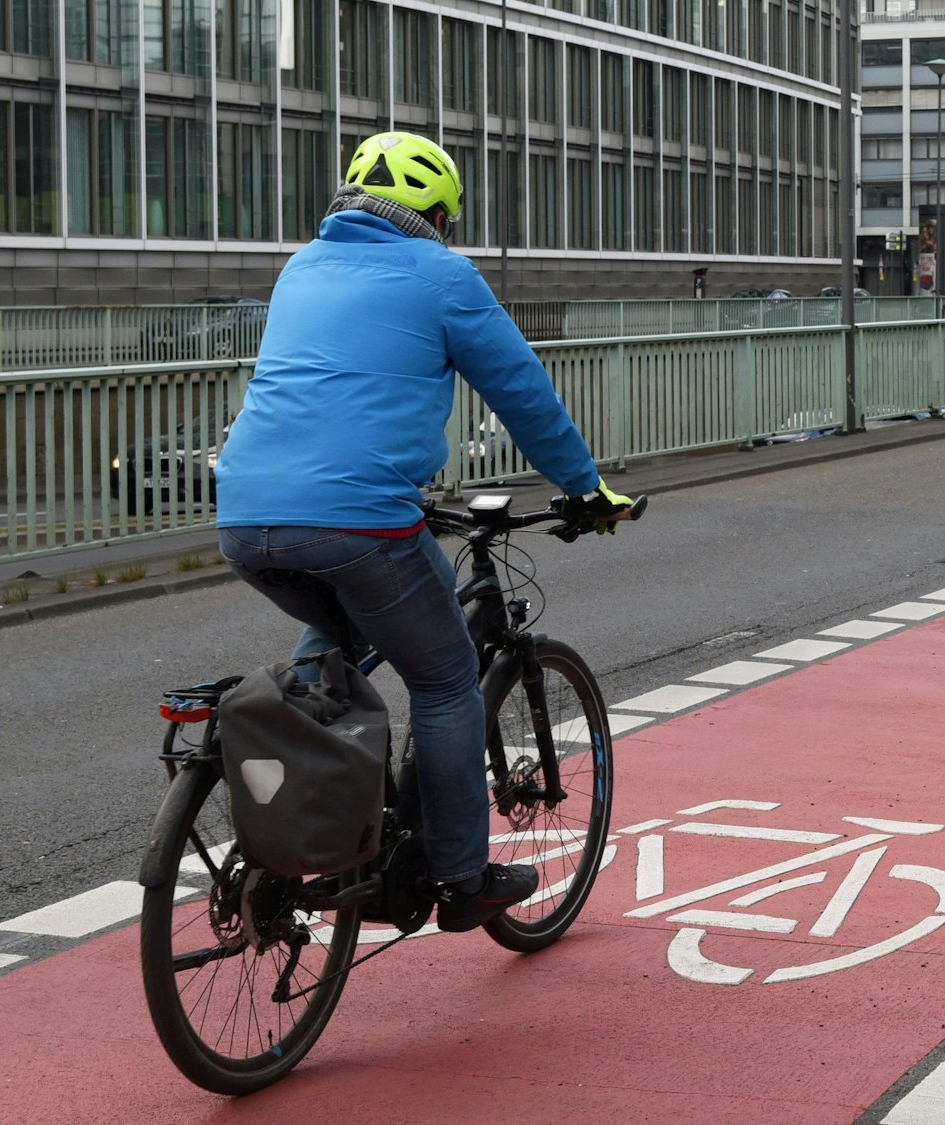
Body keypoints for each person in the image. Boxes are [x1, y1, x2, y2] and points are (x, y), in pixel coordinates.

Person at [212, 132, 633, 933]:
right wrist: (586, 488)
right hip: (357, 517)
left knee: (331, 651)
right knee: (443, 678)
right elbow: (521, 390)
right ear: (434, 215)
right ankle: (462, 878)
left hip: (244, 516)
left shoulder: (301, 267)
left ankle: (323, 834)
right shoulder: (439, 272)